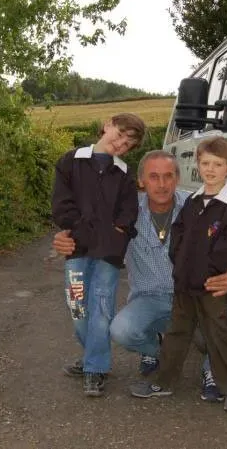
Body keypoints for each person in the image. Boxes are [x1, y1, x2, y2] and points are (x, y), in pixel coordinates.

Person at [53, 149, 227, 402]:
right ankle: (160, 351)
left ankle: (212, 372)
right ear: (141, 181)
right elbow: (89, 233)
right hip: (150, 299)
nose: (162, 184)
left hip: (192, 294)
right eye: (154, 177)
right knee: (121, 330)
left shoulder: (200, 205)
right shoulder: (125, 213)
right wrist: (63, 239)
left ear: (178, 178)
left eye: (168, 176)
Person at [130, 136, 227, 412]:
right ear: (197, 165)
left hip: (210, 285)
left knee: (219, 335)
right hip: (184, 284)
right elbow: (178, 235)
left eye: (217, 164)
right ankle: (163, 381)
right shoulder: (193, 201)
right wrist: (180, 263)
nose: (210, 169)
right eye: (205, 163)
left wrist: (207, 272)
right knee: (176, 333)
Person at [51, 112, 146, 397]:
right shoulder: (70, 161)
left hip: (109, 254)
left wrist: (116, 233)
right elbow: (62, 205)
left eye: (128, 144)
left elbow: (128, 214)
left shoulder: (124, 174)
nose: (120, 144)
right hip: (77, 249)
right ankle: (93, 354)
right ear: (107, 126)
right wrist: (79, 231)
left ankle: (96, 369)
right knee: (78, 307)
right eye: (119, 135)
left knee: (102, 309)